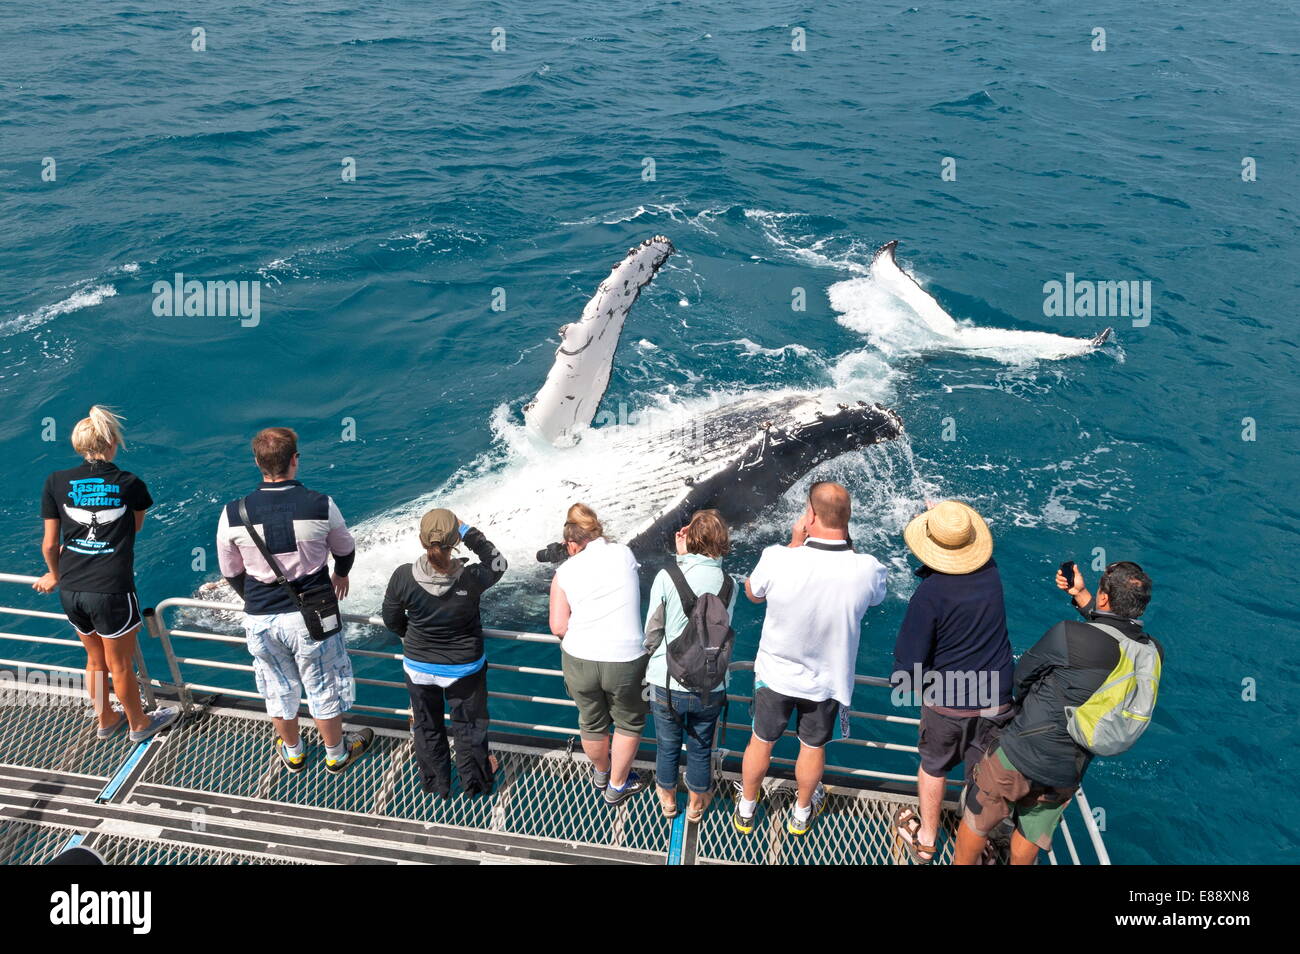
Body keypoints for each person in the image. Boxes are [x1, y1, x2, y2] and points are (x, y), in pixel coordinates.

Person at [955, 561, 1162, 865]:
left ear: (1104, 598)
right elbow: (1115, 636)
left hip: (1021, 750)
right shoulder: (1152, 653)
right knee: (1031, 835)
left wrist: (1027, 706)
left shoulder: (1069, 634)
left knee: (978, 818)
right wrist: (1081, 595)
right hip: (1068, 768)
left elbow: (1022, 676)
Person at [216, 427, 372, 774]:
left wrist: (255, 600)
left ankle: (294, 752)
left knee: (277, 686)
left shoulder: (232, 513)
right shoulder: (320, 504)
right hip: (311, 616)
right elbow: (345, 550)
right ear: (295, 461)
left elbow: (230, 571)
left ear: (257, 462)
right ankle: (336, 754)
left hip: (261, 618)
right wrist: (340, 575)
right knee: (323, 683)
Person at [736, 481, 888, 836]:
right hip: (826, 684)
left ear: (812, 516)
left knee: (761, 740)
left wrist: (792, 544)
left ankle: (746, 808)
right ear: (847, 519)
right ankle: (801, 814)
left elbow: (752, 593)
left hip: (775, 676)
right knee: (812, 748)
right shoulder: (867, 568)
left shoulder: (779, 557)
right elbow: (876, 598)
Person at [34, 406, 179, 743]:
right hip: (111, 588)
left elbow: (49, 544)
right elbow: (136, 526)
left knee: (94, 661)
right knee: (121, 665)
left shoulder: (56, 481)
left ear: (78, 445)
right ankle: (139, 725)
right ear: (112, 442)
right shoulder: (129, 483)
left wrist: (54, 574)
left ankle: (106, 719)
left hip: (71, 588)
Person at [890, 500, 1014, 864]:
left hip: (948, 701)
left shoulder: (930, 594)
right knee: (982, 775)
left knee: (933, 765)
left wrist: (906, 685)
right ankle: (977, 846)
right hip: (996, 697)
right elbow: (969, 555)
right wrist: (946, 525)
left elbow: (909, 659)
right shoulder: (991, 574)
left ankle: (927, 840)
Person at [382, 508, 506, 798]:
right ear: (454, 543)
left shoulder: (403, 576)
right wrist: (469, 532)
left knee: (426, 726)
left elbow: (391, 618)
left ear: (421, 540)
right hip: (464, 669)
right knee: (469, 727)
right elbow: (499, 562)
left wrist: (411, 637)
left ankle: (436, 784)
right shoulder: (472, 577)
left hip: (418, 666)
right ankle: (475, 784)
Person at [548, 503, 648, 805]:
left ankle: (602, 772)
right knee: (629, 723)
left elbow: (558, 626)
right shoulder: (624, 554)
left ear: (570, 543)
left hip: (580, 657)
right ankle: (617, 785)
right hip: (626, 658)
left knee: (592, 723)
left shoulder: (563, 571)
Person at [643, 509, 737, 821]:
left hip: (667, 680)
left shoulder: (667, 576)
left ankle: (668, 801)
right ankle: (697, 804)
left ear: (691, 539)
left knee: (667, 746)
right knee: (700, 749)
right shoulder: (730, 584)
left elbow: (653, 631)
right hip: (712, 685)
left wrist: (682, 558)